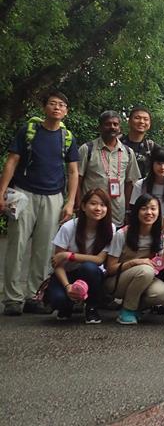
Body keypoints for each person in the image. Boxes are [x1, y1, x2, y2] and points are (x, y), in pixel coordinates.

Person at [1, 91, 79, 316]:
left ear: (66, 111)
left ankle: (35, 295)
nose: (57, 108)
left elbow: (73, 171)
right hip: (24, 194)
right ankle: (12, 298)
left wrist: (70, 201)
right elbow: (12, 161)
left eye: (61, 105)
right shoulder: (29, 131)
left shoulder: (67, 137)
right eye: (53, 104)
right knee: (17, 246)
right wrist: (1, 191)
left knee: (44, 249)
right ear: (45, 107)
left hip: (53, 196)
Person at [47, 188, 113, 323]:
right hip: (68, 274)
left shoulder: (110, 229)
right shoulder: (68, 227)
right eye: (93, 204)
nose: (98, 208)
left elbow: (99, 260)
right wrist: (67, 287)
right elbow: (57, 264)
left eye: (103, 205)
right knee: (58, 300)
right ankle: (67, 305)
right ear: (83, 206)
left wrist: (68, 255)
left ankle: (92, 307)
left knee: (88, 267)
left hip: (92, 274)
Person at [105, 193, 164, 325]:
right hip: (117, 281)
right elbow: (110, 268)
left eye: (153, 208)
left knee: (162, 294)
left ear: (159, 212)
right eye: (144, 208)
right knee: (146, 270)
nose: (149, 212)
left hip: (143, 279)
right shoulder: (122, 234)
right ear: (136, 212)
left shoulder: (159, 235)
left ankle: (134, 307)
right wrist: (135, 262)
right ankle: (127, 311)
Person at [77, 110, 140, 228]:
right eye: (108, 124)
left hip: (117, 212)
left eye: (115, 124)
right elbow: (77, 180)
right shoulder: (87, 149)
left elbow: (129, 184)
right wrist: (79, 206)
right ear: (100, 127)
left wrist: (127, 210)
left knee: (113, 244)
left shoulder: (128, 152)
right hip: (91, 212)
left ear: (120, 128)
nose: (112, 127)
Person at [129, 146, 164, 230]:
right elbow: (136, 211)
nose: (162, 167)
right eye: (159, 163)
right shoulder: (140, 185)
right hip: (142, 228)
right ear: (152, 164)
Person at [120, 107, 156, 177]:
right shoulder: (118, 144)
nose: (141, 121)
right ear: (129, 121)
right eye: (137, 118)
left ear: (149, 124)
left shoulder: (152, 147)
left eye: (146, 119)